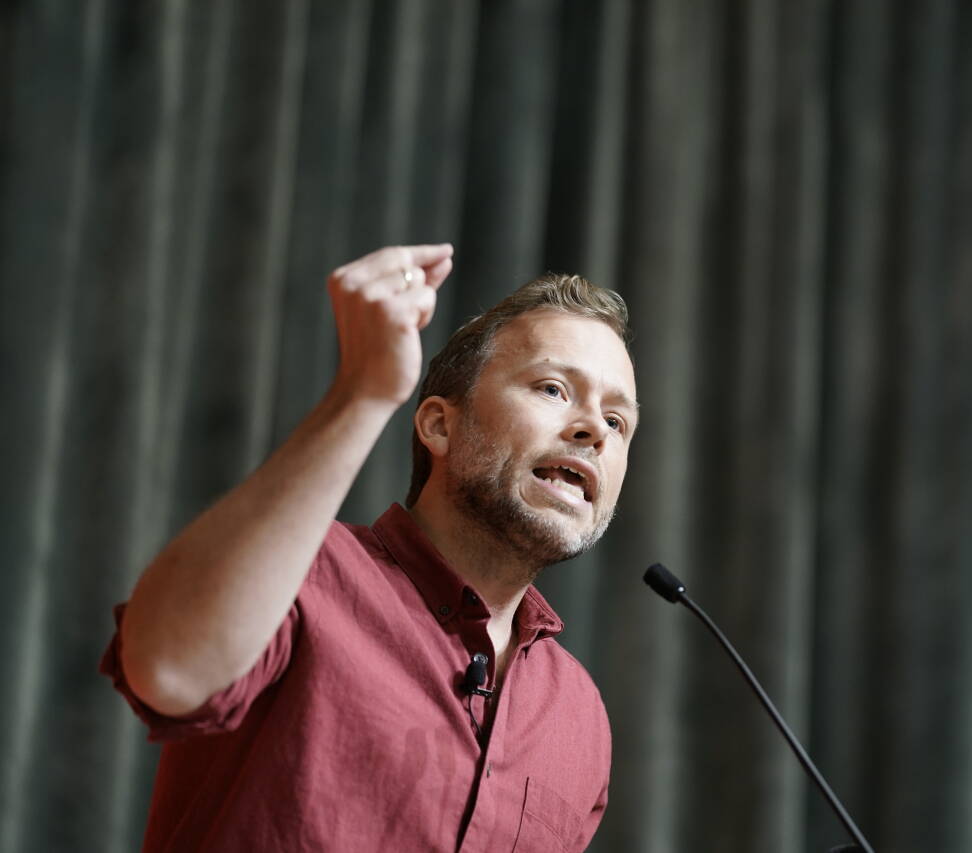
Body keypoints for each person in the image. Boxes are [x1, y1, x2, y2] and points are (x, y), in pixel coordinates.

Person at [100, 244, 639, 852]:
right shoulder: (301, 570)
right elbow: (166, 667)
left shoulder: (579, 717)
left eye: (618, 422)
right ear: (439, 424)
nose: (593, 428)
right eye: (551, 388)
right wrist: (364, 392)